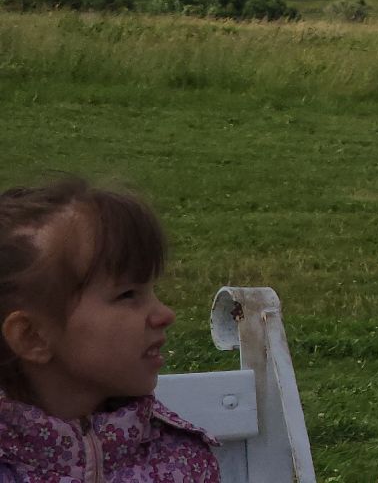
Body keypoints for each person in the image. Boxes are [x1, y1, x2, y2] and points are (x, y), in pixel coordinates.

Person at [0, 177, 219, 482]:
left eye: (151, 290)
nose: (165, 314)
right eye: (128, 295)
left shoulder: (182, 461)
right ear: (32, 336)